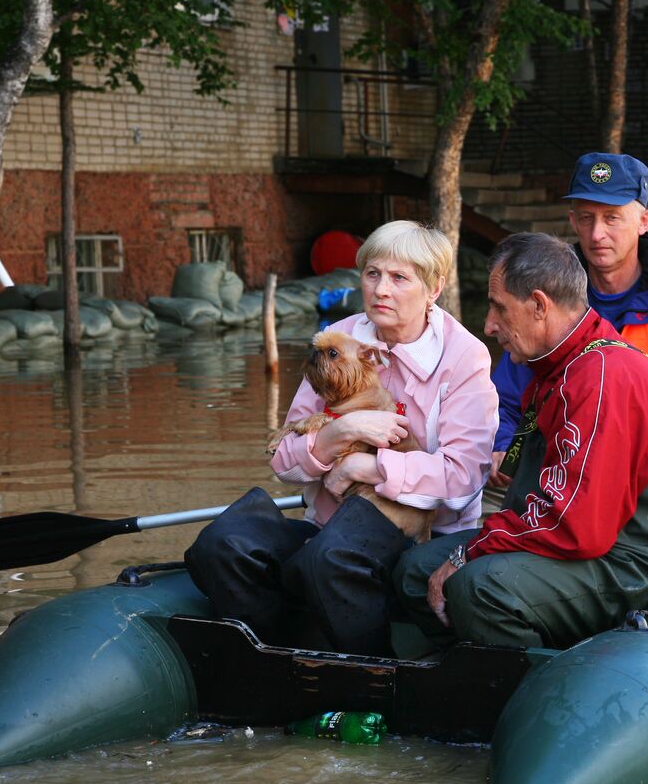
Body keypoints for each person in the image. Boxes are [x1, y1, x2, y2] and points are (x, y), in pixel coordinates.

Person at [184, 221, 498, 655]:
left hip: (419, 535)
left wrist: (367, 466)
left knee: (329, 559)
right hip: (328, 526)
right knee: (220, 546)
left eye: (399, 277)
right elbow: (284, 463)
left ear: (434, 288)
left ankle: (375, 682)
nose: (381, 290)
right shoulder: (338, 341)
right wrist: (340, 432)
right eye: (372, 274)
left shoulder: (463, 356)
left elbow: (463, 478)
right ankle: (281, 657)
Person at [395, 232, 648, 652]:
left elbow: (577, 528)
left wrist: (467, 554)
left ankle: (531, 694)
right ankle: (458, 672)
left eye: (498, 308)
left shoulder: (599, 377)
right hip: (592, 547)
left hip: (641, 563)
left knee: (479, 587)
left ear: (539, 305)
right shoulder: (557, 367)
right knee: (415, 570)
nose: (489, 325)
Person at [489, 152, 648, 564]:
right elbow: (506, 399)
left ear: (644, 222)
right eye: (586, 217)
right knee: (483, 516)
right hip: (563, 468)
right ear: (572, 221)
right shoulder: (546, 302)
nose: (597, 234)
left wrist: (644, 475)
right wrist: (506, 447)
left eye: (612, 218)